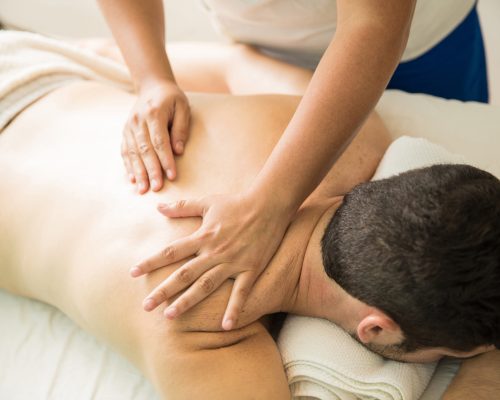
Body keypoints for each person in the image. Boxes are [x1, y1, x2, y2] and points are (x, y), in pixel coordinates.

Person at [1, 36, 499, 399]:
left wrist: (141, 76)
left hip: (31, 66)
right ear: (375, 330)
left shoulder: (350, 136)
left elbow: (234, 62)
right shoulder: (200, 326)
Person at [97, 0, 490, 330]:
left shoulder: (361, 147)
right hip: (263, 42)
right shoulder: (365, 147)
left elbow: (374, 24)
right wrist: (150, 77)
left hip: (419, 46)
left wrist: (269, 206)